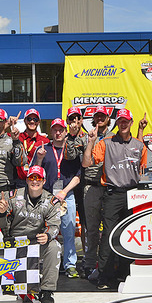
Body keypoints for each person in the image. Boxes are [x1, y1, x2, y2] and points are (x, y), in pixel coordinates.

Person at [82, 108, 146, 289]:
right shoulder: (106, 143)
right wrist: (91, 142)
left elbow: (147, 171)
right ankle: (104, 276)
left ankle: (126, 273)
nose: (124, 124)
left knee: (131, 234)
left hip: (134, 194)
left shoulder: (139, 145)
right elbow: (86, 163)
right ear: (116, 123)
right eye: (121, 121)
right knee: (109, 235)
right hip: (112, 193)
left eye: (127, 121)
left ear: (131, 123)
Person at [0, 165, 62, 303]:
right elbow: (2, 226)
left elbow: (55, 225)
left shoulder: (52, 201)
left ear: (44, 181)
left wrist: (48, 235)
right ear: (26, 180)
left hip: (36, 242)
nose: (35, 181)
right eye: (32, 177)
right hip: (14, 243)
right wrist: (1, 213)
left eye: (38, 178)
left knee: (54, 246)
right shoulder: (12, 196)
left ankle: (47, 290)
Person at [35, 118, 82, 279]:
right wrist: (40, 158)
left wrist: (64, 192)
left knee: (69, 231)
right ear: (51, 131)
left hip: (66, 195)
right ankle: (46, 262)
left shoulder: (72, 150)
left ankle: (70, 264)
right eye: (55, 129)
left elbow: (77, 177)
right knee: (46, 231)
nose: (58, 132)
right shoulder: (43, 149)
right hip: (47, 196)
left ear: (65, 131)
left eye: (61, 129)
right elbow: (35, 174)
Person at [79, 105, 112, 280]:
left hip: (109, 187)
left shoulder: (114, 138)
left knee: (109, 228)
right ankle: (90, 262)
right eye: (97, 116)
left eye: (103, 116)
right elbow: (79, 160)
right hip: (90, 186)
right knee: (91, 229)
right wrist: (90, 140)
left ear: (108, 118)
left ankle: (108, 263)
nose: (100, 119)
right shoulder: (86, 137)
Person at [63, 107, 87, 251]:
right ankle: (66, 258)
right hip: (68, 184)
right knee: (67, 222)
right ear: (67, 121)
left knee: (86, 222)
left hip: (84, 183)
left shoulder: (87, 136)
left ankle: (87, 257)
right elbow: (69, 156)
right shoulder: (64, 137)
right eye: (71, 119)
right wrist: (71, 136)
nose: (74, 122)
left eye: (77, 118)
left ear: (82, 120)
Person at [0, 108, 24, 192]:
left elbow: (21, 162)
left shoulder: (12, 141)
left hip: (7, 187)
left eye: (0, 119)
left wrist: (16, 141)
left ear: (5, 121)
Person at [16, 108, 50, 187]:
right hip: (19, 182)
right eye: (29, 119)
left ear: (39, 122)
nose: (32, 121)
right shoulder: (17, 137)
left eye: (35, 119)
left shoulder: (45, 141)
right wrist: (9, 123)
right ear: (25, 121)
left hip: (37, 181)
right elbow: (0, 135)